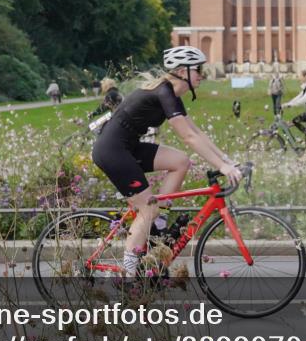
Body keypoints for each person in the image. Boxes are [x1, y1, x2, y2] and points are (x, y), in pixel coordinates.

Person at [91, 46, 242, 277]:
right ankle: (130, 273)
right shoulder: (164, 92)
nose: (202, 74)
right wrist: (222, 167)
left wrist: (225, 160)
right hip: (112, 151)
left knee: (181, 161)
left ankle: (157, 225)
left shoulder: (170, 93)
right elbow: (188, 137)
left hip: (127, 147)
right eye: (198, 69)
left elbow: (197, 132)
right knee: (147, 206)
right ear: (183, 71)